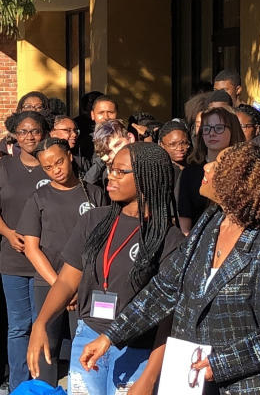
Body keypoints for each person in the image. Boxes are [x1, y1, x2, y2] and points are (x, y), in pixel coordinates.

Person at [80, 142, 260, 395]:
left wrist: (223, 363)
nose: (207, 165)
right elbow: (164, 288)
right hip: (196, 382)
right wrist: (110, 337)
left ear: (240, 181)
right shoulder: (209, 223)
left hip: (256, 386)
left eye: (219, 164)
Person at [26, 143, 183, 395]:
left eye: (121, 172)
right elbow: (67, 281)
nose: (111, 176)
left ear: (146, 178)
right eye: (111, 169)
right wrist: (41, 323)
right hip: (88, 338)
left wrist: (150, 378)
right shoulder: (94, 220)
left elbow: (168, 316)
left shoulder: (168, 237)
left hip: (138, 348)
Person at [16, 138, 106, 386]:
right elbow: (32, 249)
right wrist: (61, 286)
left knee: (85, 347)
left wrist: (78, 286)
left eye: (59, 161)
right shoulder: (38, 198)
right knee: (47, 347)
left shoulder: (96, 193)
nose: (56, 169)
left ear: (69, 156)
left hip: (87, 288)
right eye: (48, 167)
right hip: (49, 283)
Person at [0, 110, 52, 391]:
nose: (29, 137)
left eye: (35, 131)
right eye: (23, 132)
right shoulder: (1, 168)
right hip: (13, 257)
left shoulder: (52, 166)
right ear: (14, 135)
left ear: (44, 133)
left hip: (46, 259)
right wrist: (7, 232)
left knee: (43, 324)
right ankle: (19, 385)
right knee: (18, 325)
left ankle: (40, 384)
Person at [177, 107, 245, 234]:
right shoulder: (190, 172)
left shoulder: (243, 169)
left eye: (219, 128)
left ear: (232, 130)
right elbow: (184, 222)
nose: (211, 133)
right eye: (206, 129)